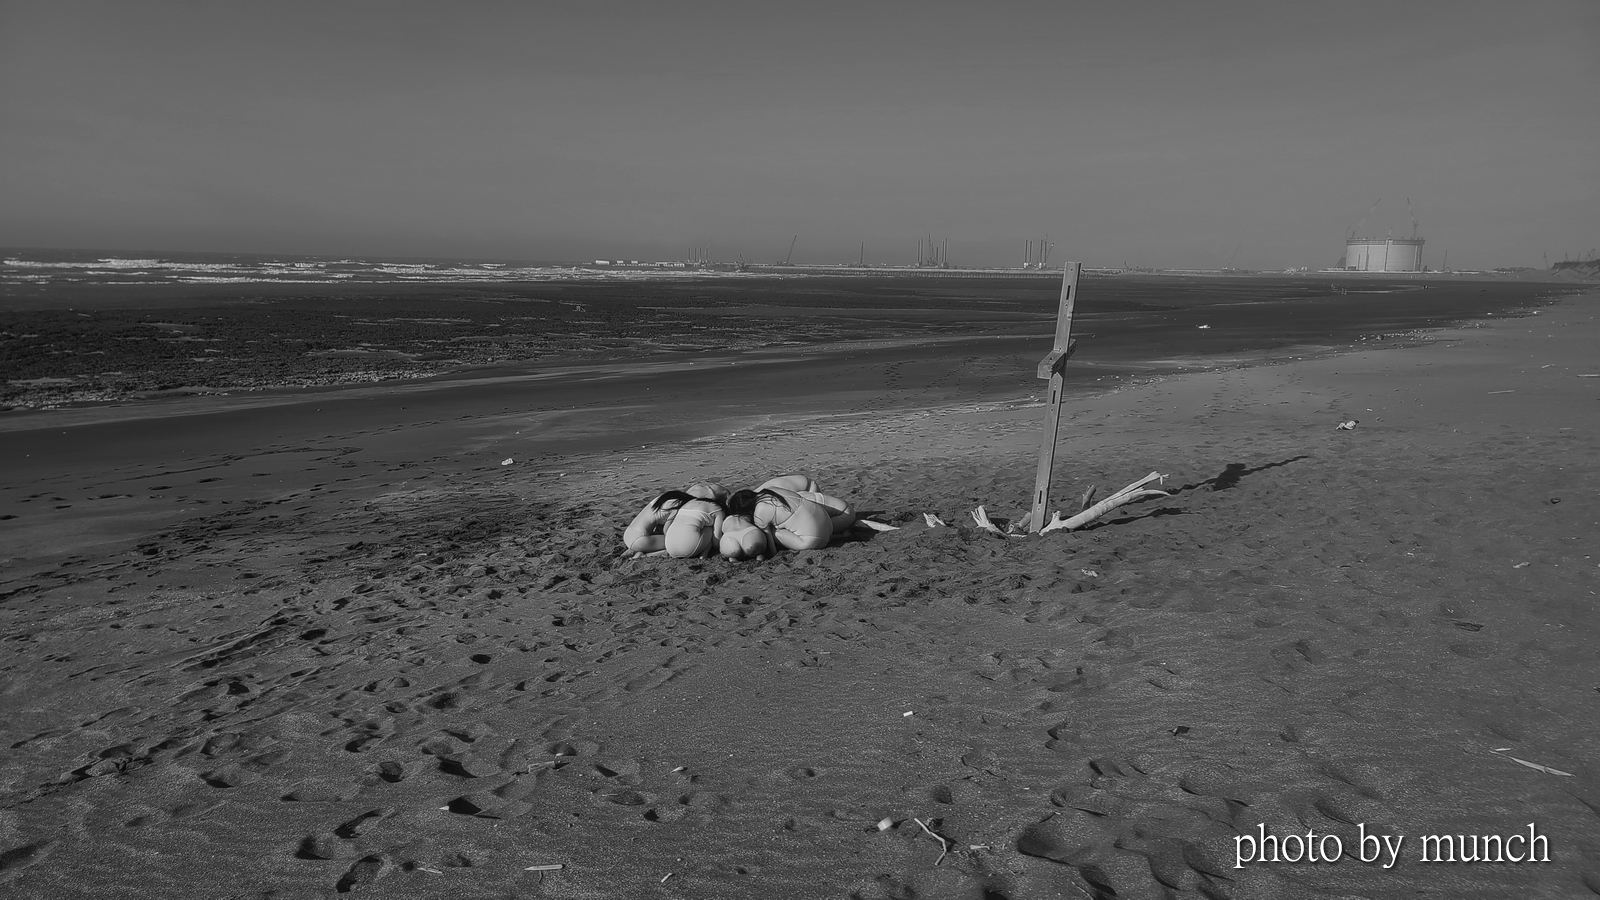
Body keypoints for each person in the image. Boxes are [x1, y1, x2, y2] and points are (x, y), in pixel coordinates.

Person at [726, 486, 833, 552]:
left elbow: (771, 548)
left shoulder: (759, 513)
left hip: (814, 540)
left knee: (770, 531)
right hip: (829, 527)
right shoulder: (771, 490)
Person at [623, 489, 726, 557]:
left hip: (629, 534)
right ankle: (645, 555)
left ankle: (635, 549)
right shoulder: (675, 506)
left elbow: (657, 526)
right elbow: (666, 530)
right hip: (640, 539)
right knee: (672, 542)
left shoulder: (661, 499)